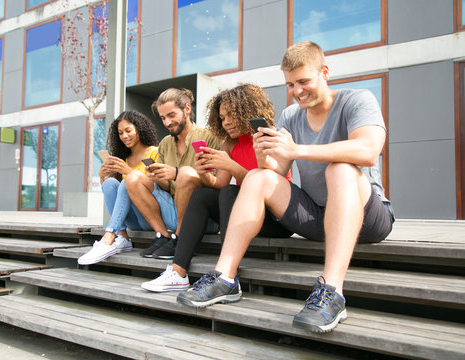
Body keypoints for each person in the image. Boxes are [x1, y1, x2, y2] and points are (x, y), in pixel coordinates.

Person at [176, 41, 395, 334]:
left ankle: (331, 291)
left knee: (340, 169)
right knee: (256, 177)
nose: (297, 91)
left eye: (303, 81)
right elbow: (276, 172)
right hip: (318, 217)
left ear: (324, 72)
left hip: (369, 218)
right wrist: (264, 154)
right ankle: (225, 277)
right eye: (290, 84)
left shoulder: (356, 100)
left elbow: (367, 151)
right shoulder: (292, 115)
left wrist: (296, 149)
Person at [141, 84, 293, 292]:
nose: (226, 122)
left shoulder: (269, 136)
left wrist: (230, 165)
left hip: (275, 219)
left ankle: (228, 276)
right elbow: (219, 184)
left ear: (247, 110)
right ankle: (178, 272)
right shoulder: (230, 144)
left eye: (231, 115)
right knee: (205, 193)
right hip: (246, 216)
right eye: (222, 118)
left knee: (231, 192)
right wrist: (202, 172)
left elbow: (266, 185)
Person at [125, 88, 221, 259]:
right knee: (133, 177)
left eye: (171, 115)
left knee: (185, 172)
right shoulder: (165, 144)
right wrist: (159, 177)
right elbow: (168, 187)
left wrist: (177, 173)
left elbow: (216, 183)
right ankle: (163, 235)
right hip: (174, 209)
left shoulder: (210, 137)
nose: (167, 122)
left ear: (187, 109)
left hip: (202, 217)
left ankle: (181, 239)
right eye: (163, 118)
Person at [78, 111, 159, 265]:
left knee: (127, 181)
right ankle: (122, 236)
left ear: (139, 129)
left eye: (128, 131)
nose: (124, 136)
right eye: (120, 133)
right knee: (110, 183)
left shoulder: (154, 152)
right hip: (133, 220)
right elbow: (115, 196)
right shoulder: (124, 159)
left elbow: (158, 188)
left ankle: (109, 235)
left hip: (151, 216)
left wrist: (129, 172)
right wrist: (103, 176)